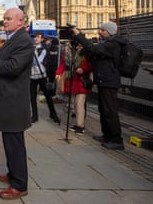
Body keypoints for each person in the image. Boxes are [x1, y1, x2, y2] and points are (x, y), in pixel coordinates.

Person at [0, 8, 33, 200]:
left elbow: (13, 67)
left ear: (20, 21)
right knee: (9, 140)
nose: (5, 22)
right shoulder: (13, 38)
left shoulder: (24, 41)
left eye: (9, 19)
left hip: (14, 99)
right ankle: (13, 174)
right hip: (7, 98)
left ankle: (20, 185)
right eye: (4, 19)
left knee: (15, 143)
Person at [72, 21, 126, 150]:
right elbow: (93, 53)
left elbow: (94, 49)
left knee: (110, 111)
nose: (99, 32)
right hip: (103, 81)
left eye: (102, 30)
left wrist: (79, 35)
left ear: (109, 32)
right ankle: (107, 135)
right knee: (103, 109)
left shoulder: (113, 44)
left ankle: (116, 140)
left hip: (109, 82)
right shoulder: (107, 44)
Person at [55, 42, 93, 134]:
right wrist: (58, 73)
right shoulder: (67, 49)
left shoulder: (86, 50)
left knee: (79, 103)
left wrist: (83, 70)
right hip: (71, 79)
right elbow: (63, 63)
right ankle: (78, 124)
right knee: (74, 103)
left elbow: (91, 64)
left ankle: (80, 126)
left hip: (81, 80)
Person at [29, 33, 60, 124]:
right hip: (32, 75)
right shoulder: (31, 48)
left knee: (48, 95)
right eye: (35, 37)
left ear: (42, 39)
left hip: (41, 75)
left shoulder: (43, 50)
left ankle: (53, 114)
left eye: (38, 37)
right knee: (32, 96)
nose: (35, 39)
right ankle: (35, 115)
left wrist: (30, 55)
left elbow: (36, 62)